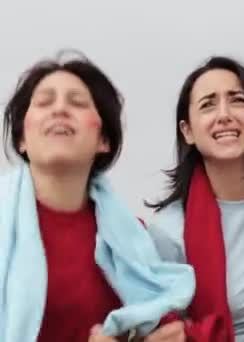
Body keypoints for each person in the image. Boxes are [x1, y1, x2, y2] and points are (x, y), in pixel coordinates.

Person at [0, 53, 195, 342]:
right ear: (22, 139)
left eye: (77, 103)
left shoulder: (134, 242)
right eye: (44, 102)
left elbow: (161, 320)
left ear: (103, 139)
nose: (60, 110)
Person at [147, 56, 244, 341]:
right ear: (188, 131)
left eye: (238, 100)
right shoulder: (168, 232)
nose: (224, 115)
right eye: (208, 104)